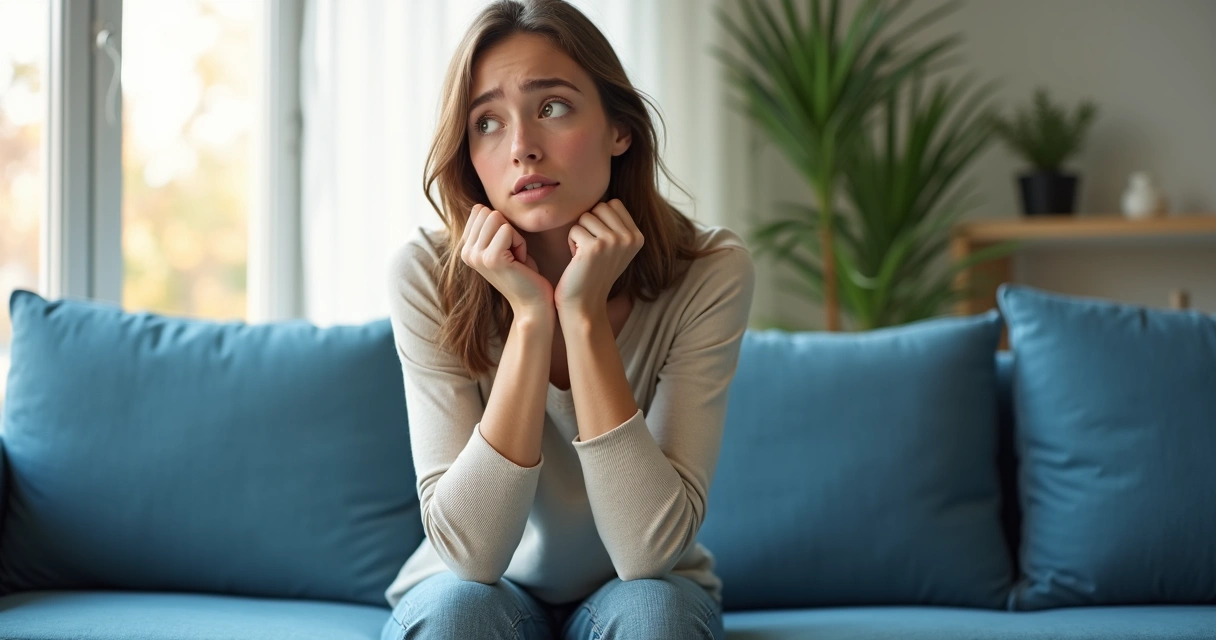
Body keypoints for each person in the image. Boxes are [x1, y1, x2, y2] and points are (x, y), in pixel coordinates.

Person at [381, 1, 754, 638]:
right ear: (468, 154)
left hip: (642, 586)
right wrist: (531, 317)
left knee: (654, 618)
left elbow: (645, 552)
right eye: (488, 122)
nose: (522, 147)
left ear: (619, 128)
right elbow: (472, 556)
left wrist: (582, 315)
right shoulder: (425, 273)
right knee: (453, 619)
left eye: (551, 107)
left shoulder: (709, 269)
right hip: (476, 587)